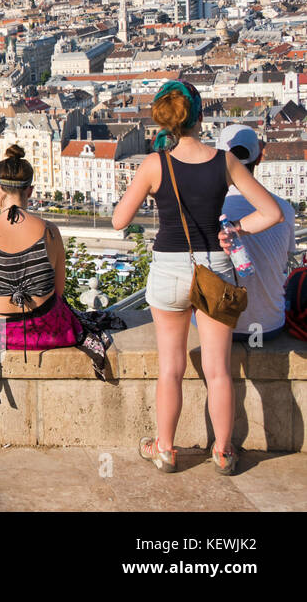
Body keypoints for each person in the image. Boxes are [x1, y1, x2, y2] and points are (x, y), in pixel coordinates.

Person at [113, 81, 284, 476]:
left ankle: (166, 449)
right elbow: (271, 213)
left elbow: (120, 220)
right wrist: (236, 227)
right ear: (201, 116)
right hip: (215, 270)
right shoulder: (224, 161)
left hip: (168, 270)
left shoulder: (155, 164)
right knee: (218, 370)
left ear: (167, 122)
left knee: (170, 368)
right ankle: (223, 452)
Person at [0, 146, 78, 353]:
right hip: (48, 330)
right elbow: (58, 292)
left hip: (0, 333)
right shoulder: (50, 232)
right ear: (30, 190)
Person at [213, 125, 296, 344]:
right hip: (269, 324)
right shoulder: (284, 210)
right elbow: (284, 260)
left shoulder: (211, 209)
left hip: (219, 329)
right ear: (258, 159)